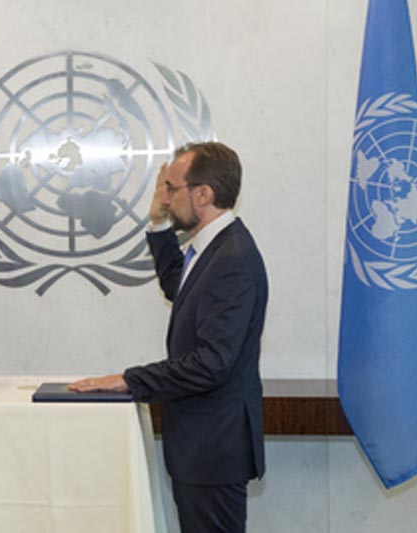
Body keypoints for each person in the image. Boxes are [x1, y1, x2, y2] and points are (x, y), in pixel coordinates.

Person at [70, 142, 268, 533]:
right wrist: (159, 224)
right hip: (202, 445)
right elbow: (180, 287)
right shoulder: (214, 250)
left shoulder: (232, 260)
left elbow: (212, 364)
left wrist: (130, 379)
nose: (164, 198)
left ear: (203, 194)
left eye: (171, 189)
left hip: (213, 447)